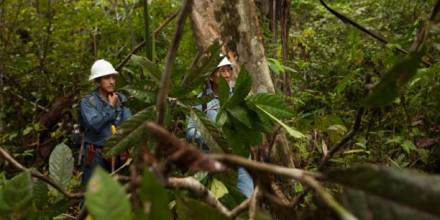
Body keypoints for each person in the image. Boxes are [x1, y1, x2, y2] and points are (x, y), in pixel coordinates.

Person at [186, 56, 254, 198]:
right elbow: (190, 131)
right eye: (222, 71)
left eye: (229, 70)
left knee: (246, 200)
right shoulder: (201, 101)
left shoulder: (239, 96)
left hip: (240, 160)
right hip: (213, 162)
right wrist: (211, 135)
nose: (227, 75)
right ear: (211, 77)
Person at [79, 59, 132, 185]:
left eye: (113, 77)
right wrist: (111, 107)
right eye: (107, 78)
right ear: (98, 81)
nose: (112, 81)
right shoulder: (87, 102)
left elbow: (129, 123)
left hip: (119, 155)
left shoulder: (122, 99)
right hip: (96, 155)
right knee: (94, 194)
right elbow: (94, 124)